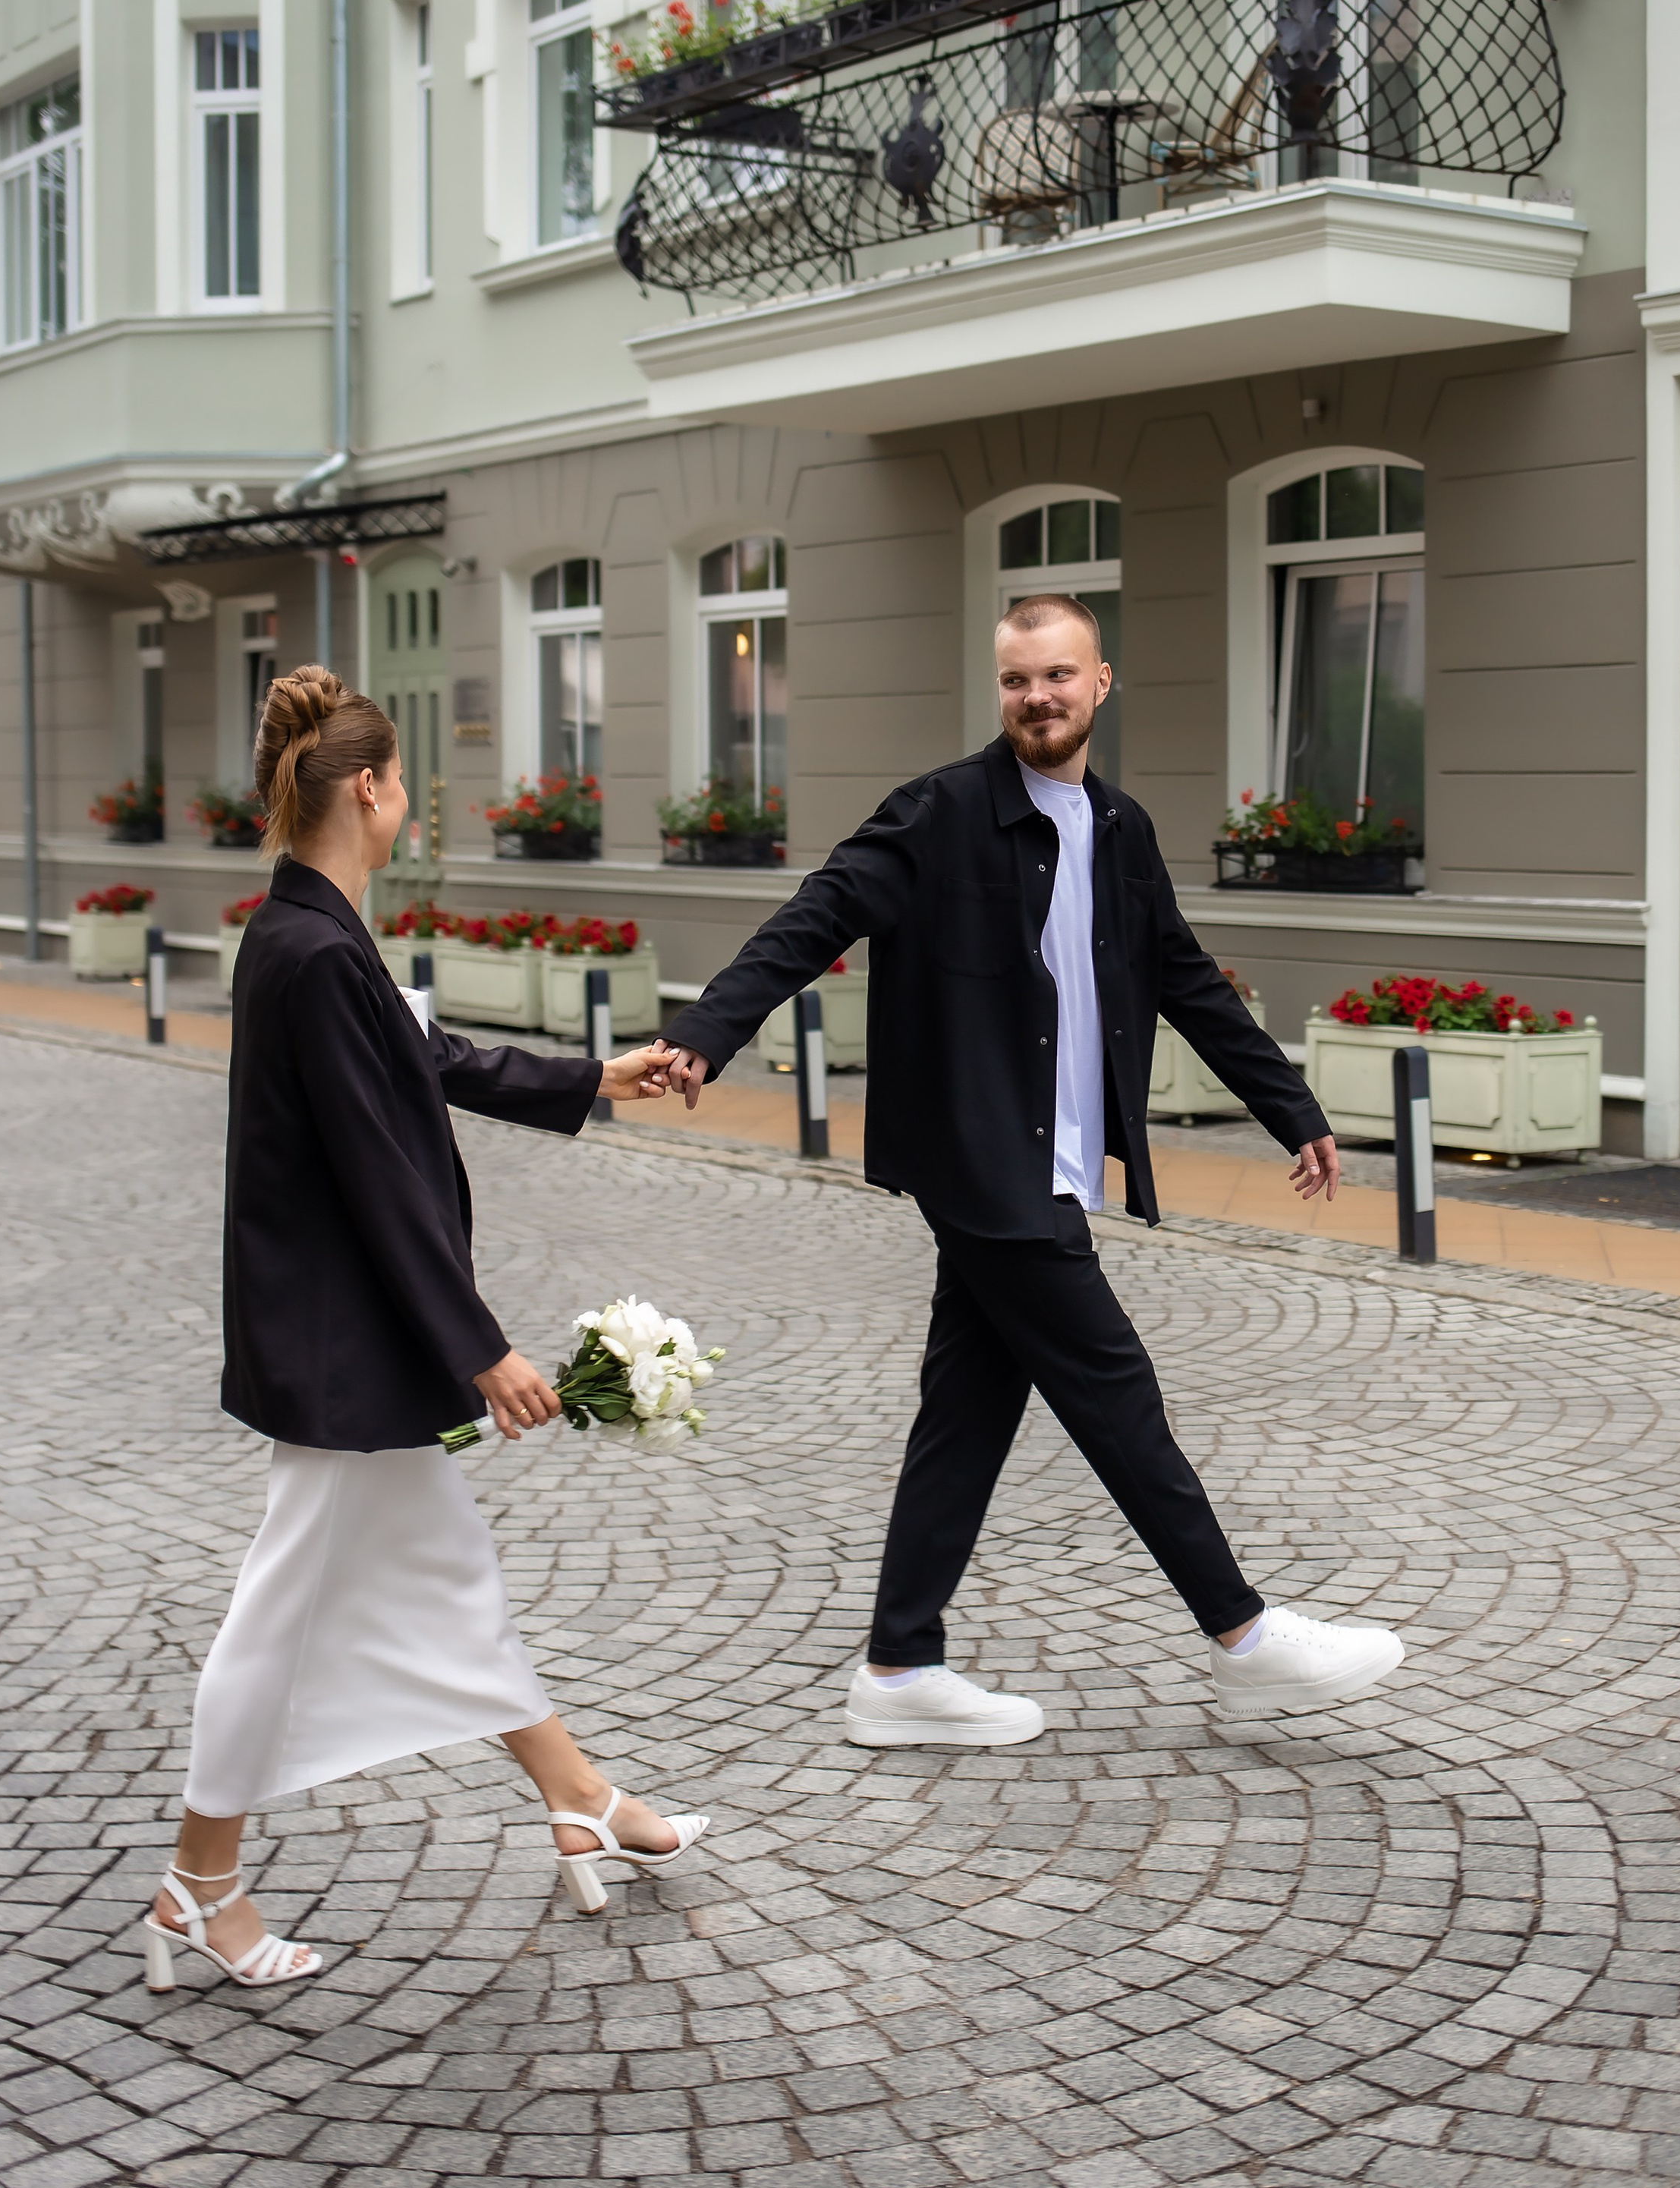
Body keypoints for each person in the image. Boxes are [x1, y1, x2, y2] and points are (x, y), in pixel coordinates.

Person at [657, 595, 1405, 1747]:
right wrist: (710, 1031)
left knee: (966, 1412)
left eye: (1058, 676)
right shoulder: (939, 813)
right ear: (998, 687)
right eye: (1017, 680)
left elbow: (1184, 976)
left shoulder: (1121, 827)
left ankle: (901, 1668)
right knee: (1117, 1394)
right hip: (982, 1162)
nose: (1037, 698)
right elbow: (816, 918)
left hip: (1051, 1167)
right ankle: (1244, 1637)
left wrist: (1288, 1105)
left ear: (1100, 683)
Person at [143, 665, 706, 1997]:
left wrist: (593, 1076)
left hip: (348, 1350)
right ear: (374, 787)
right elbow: (375, 1172)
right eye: (407, 786)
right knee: (273, 1621)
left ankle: (580, 1800)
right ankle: (195, 1887)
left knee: (450, 1586)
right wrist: (482, 1347)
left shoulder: (311, 931)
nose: (411, 804)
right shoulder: (314, 948)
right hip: (344, 1356)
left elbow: (431, 1061)